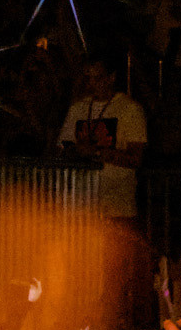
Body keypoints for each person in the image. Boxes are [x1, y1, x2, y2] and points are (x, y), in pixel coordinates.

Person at [55, 57, 147, 220]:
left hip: (117, 209)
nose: (90, 84)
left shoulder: (130, 109)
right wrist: (74, 152)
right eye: (87, 78)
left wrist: (96, 153)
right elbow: (61, 149)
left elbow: (135, 159)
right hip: (80, 208)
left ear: (111, 78)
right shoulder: (78, 108)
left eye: (97, 78)